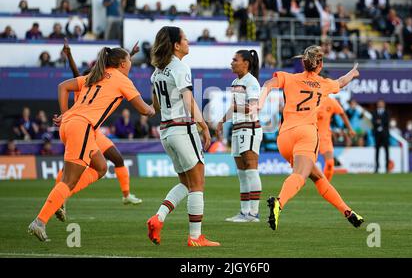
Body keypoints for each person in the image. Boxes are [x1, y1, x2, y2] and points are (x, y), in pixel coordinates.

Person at [28, 46, 155, 242]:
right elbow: (145, 111)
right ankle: (39, 221)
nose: (131, 63)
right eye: (130, 60)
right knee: (69, 180)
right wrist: (155, 107)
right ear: (123, 64)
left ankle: (59, 200)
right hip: (83, 127)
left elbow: (63, 86)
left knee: (101, 167)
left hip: (71, 124)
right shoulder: (123, 80)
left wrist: (64, 114)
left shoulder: (97, 75)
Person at [258, 45, 364, 231]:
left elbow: (268, 84)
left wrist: (259, 103)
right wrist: (353, 72)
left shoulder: (288, 77)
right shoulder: (323, 83)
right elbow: (341, 82)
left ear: (303, 62)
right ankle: (279, 202)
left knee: (318, 176)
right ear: (320, 65)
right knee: (300, 174)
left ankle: (348, 212)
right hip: (306, 134)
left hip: (284, 137)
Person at [146, 26, 220, 247]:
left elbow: (156, 105)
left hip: (166, 132)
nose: (188, 42)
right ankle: (195, 237)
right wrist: (204, 126)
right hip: (182, 129)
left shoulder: (156, 72)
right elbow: (188, 100)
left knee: (186, 183)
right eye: (185, 39)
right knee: (198, 183)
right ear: (176, 45)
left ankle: (158, 218)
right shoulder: (180, 67)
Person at [53, 39, 144, 209]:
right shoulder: (85, 83)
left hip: (92, 130)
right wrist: (69, 55)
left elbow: (114, 69)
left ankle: (126, 195)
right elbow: (74, 75)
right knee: (73, 167)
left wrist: (130, 55)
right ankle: (59, 197)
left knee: (116, 158)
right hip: (79, 126)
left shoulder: (101, 81)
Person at [216, 50, 262, 223]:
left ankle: (254, 213)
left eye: (235, 60)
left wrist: (235, 109)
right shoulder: (236, 82)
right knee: (242, 174)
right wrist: (222, 121)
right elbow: (234, 107)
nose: (232, 63)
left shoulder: (252, 82)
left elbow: (253, 108)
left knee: (251, 169)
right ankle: (244, 212)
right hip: (237, 128)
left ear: (246, 63)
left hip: (249, 128)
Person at [317, 96, 356, 182]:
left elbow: (342, 113)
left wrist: (350, 128)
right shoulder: (310, 98)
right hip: (309, 136)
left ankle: (325, 186)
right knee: (304, 167)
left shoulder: (331, 101)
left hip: (324, 137)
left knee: (330, 163)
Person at [372, 99, 390, 174]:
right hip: (377, 135)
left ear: (384, 104)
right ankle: (376, 167)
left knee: (386, 151)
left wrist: (380, 122)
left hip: (385, 134)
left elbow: (387, 121)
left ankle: (387, 167)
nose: (380, 104)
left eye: (381, 103)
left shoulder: (387, 112)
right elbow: (373, 121)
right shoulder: (374, 112)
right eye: (379, 103)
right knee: (377, 151)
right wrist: (377, 122)